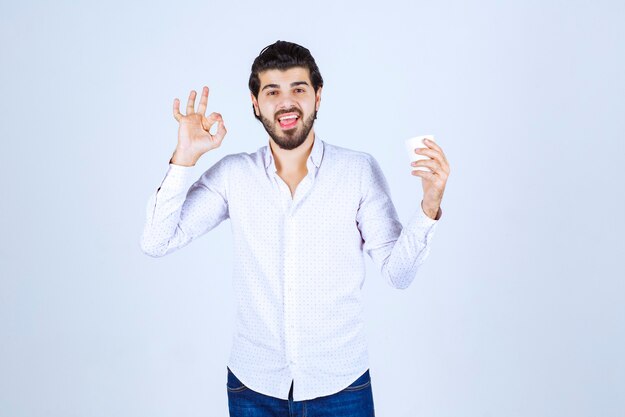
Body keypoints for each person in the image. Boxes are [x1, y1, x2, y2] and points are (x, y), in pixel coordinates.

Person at [140, 40, 450, 417]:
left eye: (298, 89)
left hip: (341, 385)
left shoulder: (357, 171)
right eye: (272, 91)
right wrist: (184, 157)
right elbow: (156, 241)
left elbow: (398, 274)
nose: (286, 103)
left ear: (318, 96)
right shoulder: (234, 175)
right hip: (253, 386)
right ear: (255, 104)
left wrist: (429, 206)